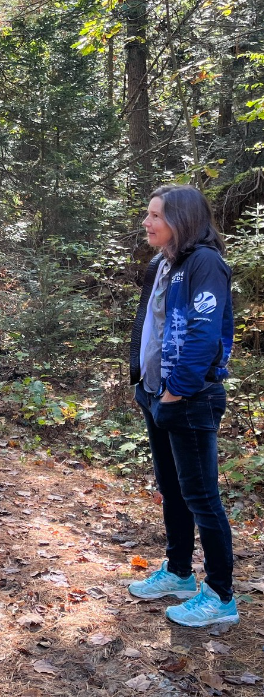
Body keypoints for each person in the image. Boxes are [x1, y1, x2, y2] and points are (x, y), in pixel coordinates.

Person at [126, 185, 237, 627]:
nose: (147, 223)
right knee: (172, 490)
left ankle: (221, 596)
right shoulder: (164, 264)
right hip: (157, 394)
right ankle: (178, 572)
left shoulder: (205, 263)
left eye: (156, 216)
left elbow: (202, 336)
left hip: (190, 398)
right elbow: (151, 328)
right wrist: (147, 387)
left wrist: (176, 393)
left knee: (202, 497)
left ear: (183, 219)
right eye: (148, 214)